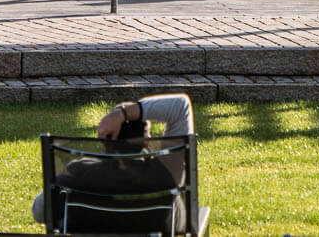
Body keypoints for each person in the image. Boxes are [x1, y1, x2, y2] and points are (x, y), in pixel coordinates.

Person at [30, 93, 196, 228]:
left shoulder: (76, 173)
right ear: (146, 141)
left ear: (104, 139)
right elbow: (181, 106)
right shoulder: (166, 172)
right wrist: (123, 114)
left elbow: (39, 211)